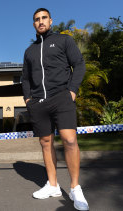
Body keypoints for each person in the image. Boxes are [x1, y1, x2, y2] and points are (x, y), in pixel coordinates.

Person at [22, 8, 89, 210]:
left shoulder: (63, 40)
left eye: (44, 18)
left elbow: (79, 64)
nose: (40, 21)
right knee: (45, 143)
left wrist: (72, 91)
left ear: (50, 21)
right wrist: (28, 100)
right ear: (33, 23)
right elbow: (25, 78)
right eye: (36, 19)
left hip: (62, 98)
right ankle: (53, 185)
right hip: (38, 103)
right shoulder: (29, 51)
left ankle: (75, 188)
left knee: (69, 140)